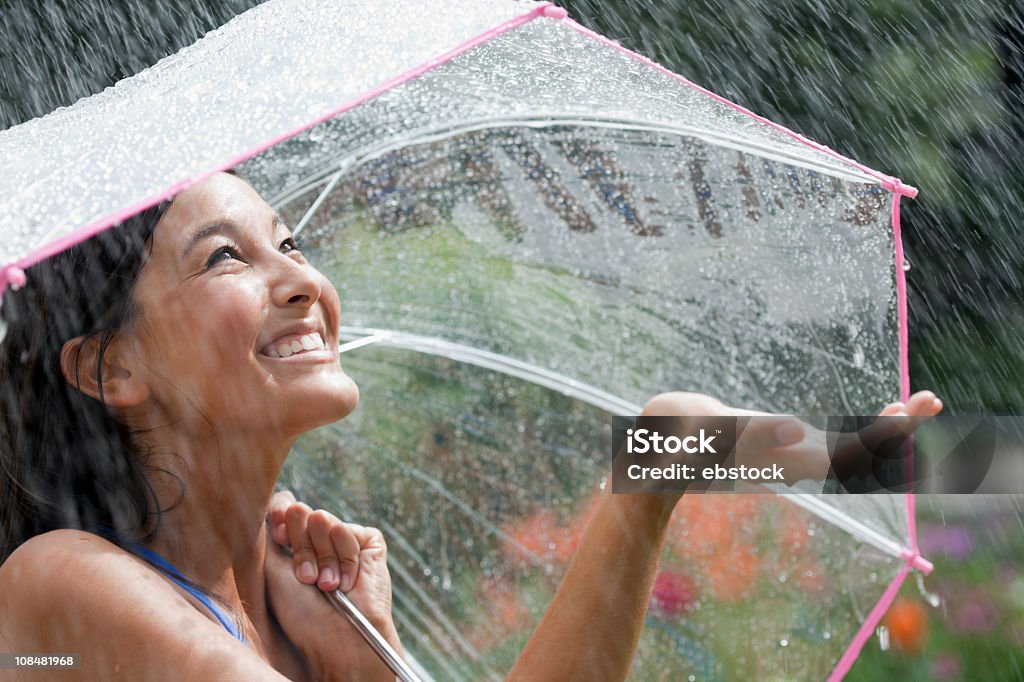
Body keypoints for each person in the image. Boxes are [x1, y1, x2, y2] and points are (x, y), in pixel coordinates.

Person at [0, 171, 942, 680]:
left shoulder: (298, 622)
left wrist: (655, 464)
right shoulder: (58, 590)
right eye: (223, 259)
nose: (299, 282)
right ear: (108, 366)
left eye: (289, 243)